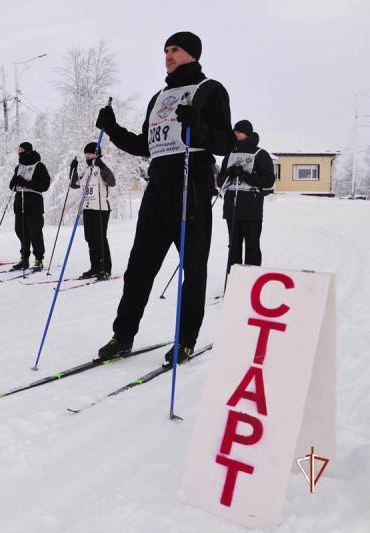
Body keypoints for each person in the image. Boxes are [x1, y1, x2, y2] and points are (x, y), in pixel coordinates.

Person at [94, 31, 233, 364]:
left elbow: (223, 144)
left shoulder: (210, 90)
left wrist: (197, 124)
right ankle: (122, 336)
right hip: (158, 189)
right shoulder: (158, 96)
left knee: (193, 269)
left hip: (192, 186)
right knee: (139, 268)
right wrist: (112, 129)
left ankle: (185, 339)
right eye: (166, 50)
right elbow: (146, 146)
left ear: (193, 55)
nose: (168, 55)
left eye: (175, 50)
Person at [215, 120, 275, 272]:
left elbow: (268, 181)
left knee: (252, 246)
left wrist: (245, 175)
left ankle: (251, 281)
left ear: (246, 133)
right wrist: (228, 174)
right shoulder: (230, 154)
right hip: (232, 208)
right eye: (234, 131)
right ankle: (233, 282)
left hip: (251, 209)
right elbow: (220, 182)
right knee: (233, 247)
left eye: (238, 131)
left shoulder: (260, 154)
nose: (235, 133)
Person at [70, 142, 117, 279]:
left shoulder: (103, 166)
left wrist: (101, 165)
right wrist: (73, 170)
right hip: (88, 208)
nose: (87, 156)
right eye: (86, 154)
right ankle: (95, 267)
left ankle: (105, 269)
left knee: (100, 238)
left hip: (100, 208)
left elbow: (112, 181)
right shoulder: (87, 171)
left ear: (96, 154)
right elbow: (74, 184)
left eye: (90, 153)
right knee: (90, 238)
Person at [9, 142, 51, 271]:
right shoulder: (19, 167)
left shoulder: (39, 166)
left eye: (22, 150)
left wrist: (27, 183)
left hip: (34, 204)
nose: (19, 152)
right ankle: (24, 258)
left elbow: (44, 186)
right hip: (19, 203)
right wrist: (15, 182)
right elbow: (12, 186)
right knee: (20, 231)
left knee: (35, 232)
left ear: (28, 151)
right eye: (18, 150)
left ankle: (38, 259)